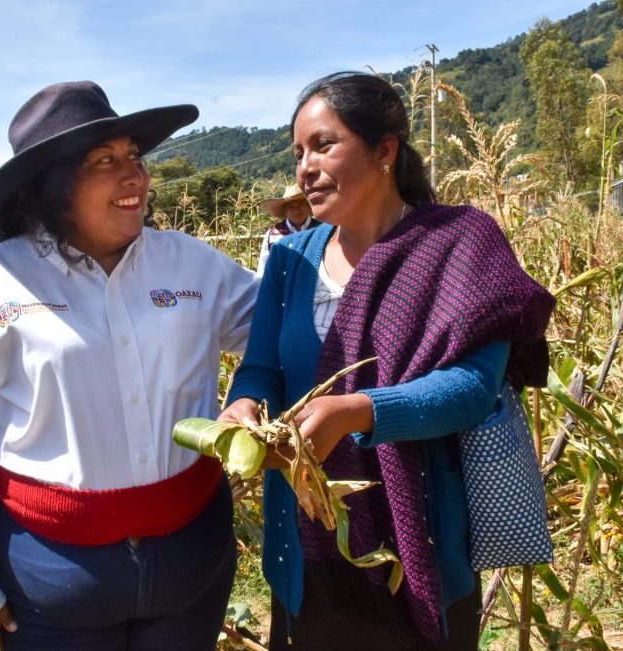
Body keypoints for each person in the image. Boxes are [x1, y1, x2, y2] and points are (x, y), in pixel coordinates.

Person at [0, 81, 259, 650]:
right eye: (104, 161)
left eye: (135, 158)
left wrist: (250, 394)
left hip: (192, 558)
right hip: (52, 574)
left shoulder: (193, 266)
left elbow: (279, 333)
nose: (135, 177)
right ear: (52, 185)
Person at [218, 71, 555, 650]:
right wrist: (242, 404)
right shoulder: (290, 261)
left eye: (324, 145)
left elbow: (473, 387)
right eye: (298, 153)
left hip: (420, 531)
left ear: (384, 150)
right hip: (306, 535)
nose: (305, 167)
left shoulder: (461, 242)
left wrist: (357, 410)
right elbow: (262, 368)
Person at [254, 183, 317, 276]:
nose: (296, 210)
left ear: (308, 206)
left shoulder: (322, 229)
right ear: (285, 210)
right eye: (291, 206)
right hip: (282, 288)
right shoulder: (272, 235)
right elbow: (263, 269)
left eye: (300, 204)